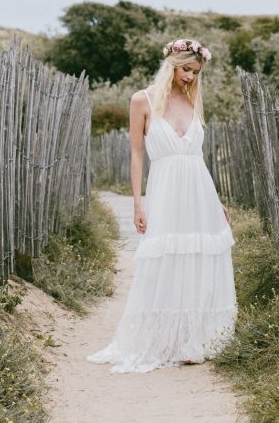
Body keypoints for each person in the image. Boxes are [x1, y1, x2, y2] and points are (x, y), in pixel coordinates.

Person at [87, 38, 238, 373]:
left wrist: (216, 201)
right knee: (167, 260)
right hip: (166, 191)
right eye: (186, 69)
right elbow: (137, 154)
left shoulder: (194, 100)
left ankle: (193, 340)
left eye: (196, 72)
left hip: (199, 192)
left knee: (198, 260)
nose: (190, 77)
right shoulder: (142, 100)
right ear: (171, 63)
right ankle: (166, 338)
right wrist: (138, 203)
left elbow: (198, 157)